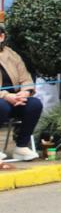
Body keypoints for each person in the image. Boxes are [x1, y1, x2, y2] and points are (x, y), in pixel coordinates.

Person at [0, 24, 42, 161]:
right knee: (2, 106)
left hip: (16, 99)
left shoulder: (11, 54)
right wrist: (6, 96)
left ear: (2, 37)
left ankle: (21, 147)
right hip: (3, 100)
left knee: (34, 104)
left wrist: (25, 92)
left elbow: (25, 78)